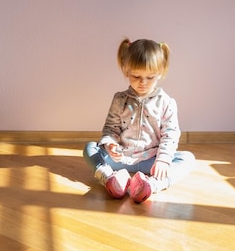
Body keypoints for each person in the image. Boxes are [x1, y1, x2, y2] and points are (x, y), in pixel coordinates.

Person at [83, 38, 195, 203]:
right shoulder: (119, 99)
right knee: (90, 148)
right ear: (126, 71)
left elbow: (170, 135)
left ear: (160, 73)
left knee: (187, 158)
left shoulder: (166, 102)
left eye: (150, 77)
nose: (143, 83)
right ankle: (110, 179)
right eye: (136, 76)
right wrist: (110, 144)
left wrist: (163, 160)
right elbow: (110, 128)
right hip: (120, 159)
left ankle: (151, 184)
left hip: (151, 161)